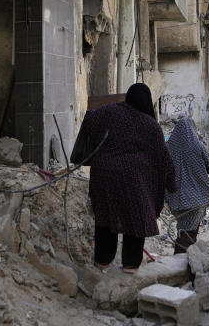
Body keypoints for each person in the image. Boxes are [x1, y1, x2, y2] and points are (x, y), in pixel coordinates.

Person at [70, 83, 175, 273]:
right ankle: (130, 266)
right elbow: (164, 158)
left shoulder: (107, 111)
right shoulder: (151, 125)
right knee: (136, 220)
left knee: (105, 218)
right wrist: (173, 184)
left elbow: (89, 120)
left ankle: (102, 262)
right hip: (134, 180)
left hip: (103, 174)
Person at [164, 116, 209, 254]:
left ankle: (183, 258)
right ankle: (182, 261)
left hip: (175, 198)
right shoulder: (198, 146)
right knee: (189, 234)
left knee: (182, 229)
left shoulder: (167, 148)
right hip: (196, 198)